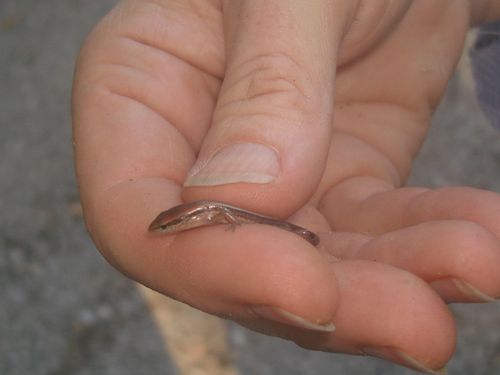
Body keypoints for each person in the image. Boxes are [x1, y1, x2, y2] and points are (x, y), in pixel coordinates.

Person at [72, 1, 500, 373]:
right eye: (167, 227)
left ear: (182, 220)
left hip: (253, 209)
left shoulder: (210, 210)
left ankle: (301, 235)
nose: (166, 229)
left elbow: (222, 211)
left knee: (285, 235)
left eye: (167, 226)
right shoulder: (199, 212)